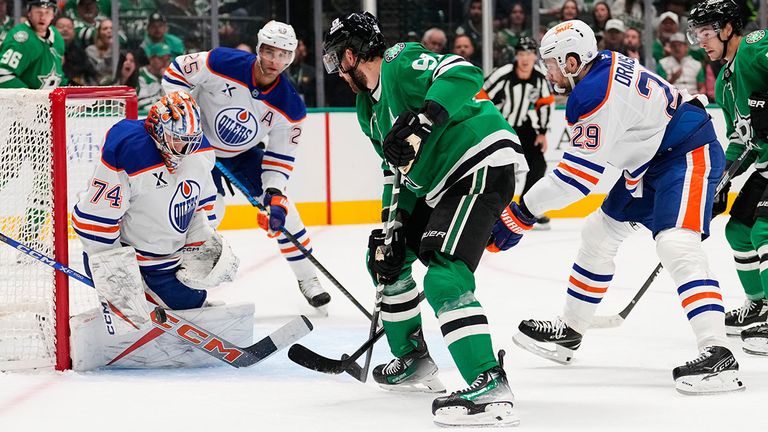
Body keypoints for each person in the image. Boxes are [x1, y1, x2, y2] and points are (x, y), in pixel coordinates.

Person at [490, 19, 744, 394]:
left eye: (554, 63)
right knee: (599, 232)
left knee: (676, 243)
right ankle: (570, 331)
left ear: (574, 61)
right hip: (653, 158)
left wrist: (519, 214)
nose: (550, 71)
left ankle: (718, 353)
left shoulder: (593, 93)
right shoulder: (602, 63)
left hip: (687, 152)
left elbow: (575, 180)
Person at [322, 11, 527, 427]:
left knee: (444, 276)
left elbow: (464, 72)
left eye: (336, 60)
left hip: (479, 163)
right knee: (385, 259)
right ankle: (412, 357)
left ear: (353, 54)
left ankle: (489, 382)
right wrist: (390, 228)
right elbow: (394, 173)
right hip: (436, 186)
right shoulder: (367, 109)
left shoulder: (399, 62)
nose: (336, 72)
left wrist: (423, 118)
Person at [162, 20, 332, 311]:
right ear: (258, 48)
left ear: (291, 58)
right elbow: (176, 70)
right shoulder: (222, 62)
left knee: (285, 214)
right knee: (206, 213)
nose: (274, 62)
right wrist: (186, 117)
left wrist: (274, 194)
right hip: (198, 147)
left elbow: (279, 158)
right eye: (269, 52)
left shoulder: (290, 106)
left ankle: (309, 279)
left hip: (244, 155)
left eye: (283, 55)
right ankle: (178, 282)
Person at [73, 90, 237, 314]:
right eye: (178, 140)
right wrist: (116, 272)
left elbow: (201, 205)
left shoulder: (199, 150)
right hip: (132, 261)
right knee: (132, 321)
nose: (185, 149)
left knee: (193, 305)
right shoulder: (130, 149)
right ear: (158, 130)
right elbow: (93, 220)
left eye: (190, 140)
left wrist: (202, 239)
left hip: (169, 263)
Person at [688, 0, 768, 355]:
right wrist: (721, 178)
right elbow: (740, 138)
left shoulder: (753, 49)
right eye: (697, 34)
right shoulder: (724, 80)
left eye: (707, 32)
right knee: (738, 230)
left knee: (764, 229)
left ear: (728, 28)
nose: (701, 41)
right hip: (765, 165)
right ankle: (758, 303)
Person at [484, 37, 554, 229]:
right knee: (502, 170)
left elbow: (545, 103)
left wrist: (541, 133)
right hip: (500, 127)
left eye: (529, 54)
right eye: (521, 54)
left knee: (538, 165)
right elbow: (481, 95)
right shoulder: (503, 74)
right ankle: (495, 210)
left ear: (534, 56)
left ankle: (525, 209)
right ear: (516, 56)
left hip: (523, 127)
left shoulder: (539, 77)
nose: (525, 59)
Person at [0, 0, 64, 89]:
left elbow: (59, 75)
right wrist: (31, 96)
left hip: (51, 98)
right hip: (25, 101)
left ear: (53, 15)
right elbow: (3, 76)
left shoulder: (56, 35)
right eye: (38, 12)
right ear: (29, 13)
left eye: (47, 12)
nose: (42, 17)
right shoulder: (22, 38)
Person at [55, 14, 97, 86]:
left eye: (69, 27)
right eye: (61, 27)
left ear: (74, 32)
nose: (65, 29)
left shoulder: (80, 53)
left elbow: (91, 74)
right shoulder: (47, 50)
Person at [137, 42, 170, 115]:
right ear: (151, 59)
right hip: (142, 117)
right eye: (161, 58)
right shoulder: (140, 76)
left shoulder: (169, 76)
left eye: (167, 59)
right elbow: (140, 104)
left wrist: (166, 80)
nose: (165, 63)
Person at [85, 18, 115, 84]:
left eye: (111, 28)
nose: (109, 31)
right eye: (105, 29)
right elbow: (98, 71)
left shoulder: (118, 50)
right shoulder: (91, 51)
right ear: (99, 32)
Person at [455, 0, 482, 64]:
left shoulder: (489, 29)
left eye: (479, 8)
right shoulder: (462, 30)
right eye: (473, 8)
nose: (476, 12)